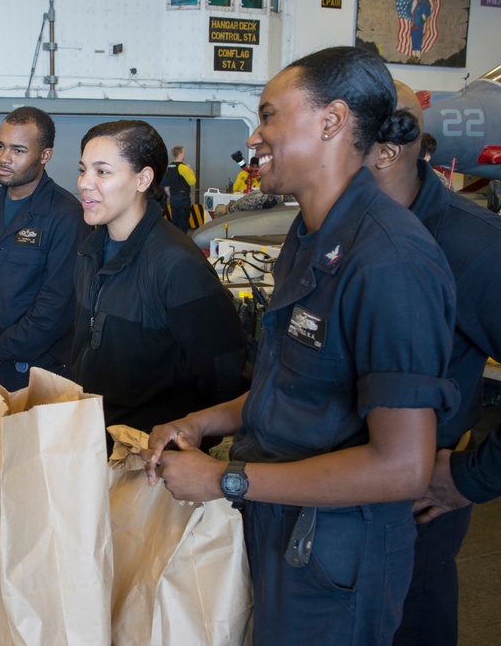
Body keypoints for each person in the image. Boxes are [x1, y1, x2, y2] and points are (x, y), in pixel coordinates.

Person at [142, 47, 459, 645]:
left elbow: (401, 466)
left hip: (334, 556)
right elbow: (293, 383)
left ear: (331, 121)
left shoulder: (390, 261)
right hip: (279, 526)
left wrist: (225, 479)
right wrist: (203, 420)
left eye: (269, 116)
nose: (256, 136)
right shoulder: (310, 233)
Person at [367, 81, 501, 646]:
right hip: (332, 507)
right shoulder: (338, 231)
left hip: (414, 513)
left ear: (384, 147)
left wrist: (476, 478)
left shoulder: (478, 249)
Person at [73, 120, 248, 444]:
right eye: (83, 170)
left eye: (102, 172)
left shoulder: (177, 266)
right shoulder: (91, 252)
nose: (85, 183)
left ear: (143, 178)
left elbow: (222, 380)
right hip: (96, 446)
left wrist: (181, 447)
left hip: (150, 465)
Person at [0, 107, 86, 394]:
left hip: (44, 369)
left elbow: (56, 305)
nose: (3, 158)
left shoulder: (65, 215)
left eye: (18, 150)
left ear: (44, 155)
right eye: (0, 146)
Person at [161, 144, 195, 232]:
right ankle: (183, 242)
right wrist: (190, 170)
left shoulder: (169, 167)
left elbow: (165, 185)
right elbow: (192, 181)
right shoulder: (183, 167)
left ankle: (175, 240)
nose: (185, 154)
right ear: (180, 154)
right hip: (183, 198)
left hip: (173, 198)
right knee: (183, 221)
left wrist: (171, 195)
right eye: (184, 152)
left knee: (175, 220)